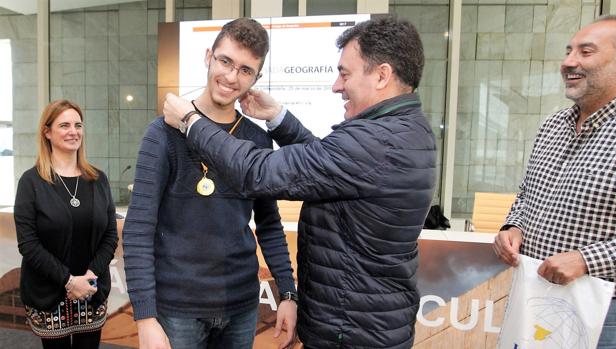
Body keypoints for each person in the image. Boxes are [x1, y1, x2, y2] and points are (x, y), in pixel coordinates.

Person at [163, 15, 436, 349]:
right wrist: (279, 118)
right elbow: (328, 164)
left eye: (344, 73)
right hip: (366, 324)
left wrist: (191, 122)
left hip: (351, 333)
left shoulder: (378, 141)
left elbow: (256, 172)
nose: (337, 85)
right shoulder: (404, 129)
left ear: (381, 75)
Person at [122, 18, 297, 349]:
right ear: (208, 57)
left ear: (256, 79)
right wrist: (145, 317)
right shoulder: (162, 134)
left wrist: (287, 292)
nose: (231, 77)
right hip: (178, 311)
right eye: (225, 61)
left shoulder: (256, 140)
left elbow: (269, 224)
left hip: (242, 306)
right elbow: (138, 229)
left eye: (245, 70)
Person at [493, 16, 616, 346]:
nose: (568, 62)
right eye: (568, 51)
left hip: (605, 315)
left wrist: (586, 260)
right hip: (534, 300)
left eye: (585, 52)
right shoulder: (552, 125)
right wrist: (513, 227)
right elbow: (527, 195)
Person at [14, 99, 119, 349]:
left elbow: (110, 235)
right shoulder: (31, 182)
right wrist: (70, 281)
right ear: (47, 132)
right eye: (64, 125)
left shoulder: (98, 179)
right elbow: (28, 244)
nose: (73, 131)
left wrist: (90, 277)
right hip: (49, 293)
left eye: (78, 125)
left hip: (92, 292)